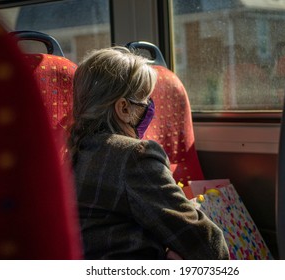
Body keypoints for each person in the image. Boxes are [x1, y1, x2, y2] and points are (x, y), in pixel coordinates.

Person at [69, 46, 229, 260]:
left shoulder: (72, 151)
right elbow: (203, 242)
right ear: (124, 108)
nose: (149, 108)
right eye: (145, 100)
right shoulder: (135, 156)